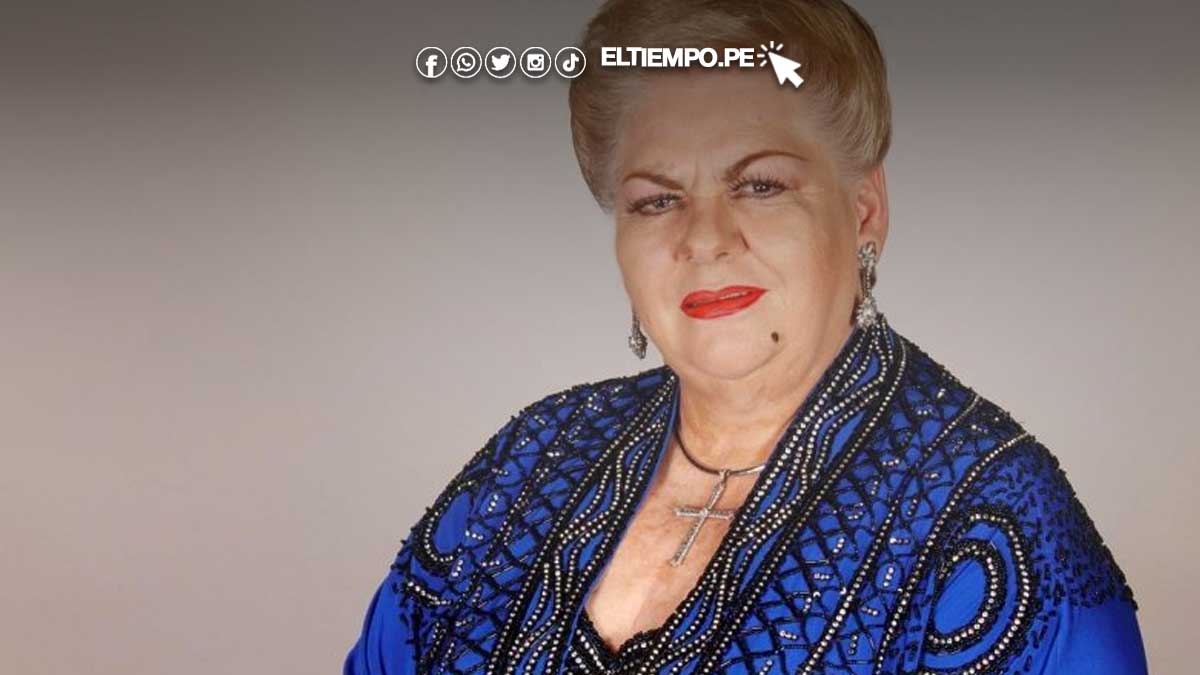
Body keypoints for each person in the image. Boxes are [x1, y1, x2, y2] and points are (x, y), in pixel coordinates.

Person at [346, 1, 1148, 672]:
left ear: (864, 209)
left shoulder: (992, 519)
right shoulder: (530, 459)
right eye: (656, 200)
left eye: (760, 184)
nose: (705, 238)